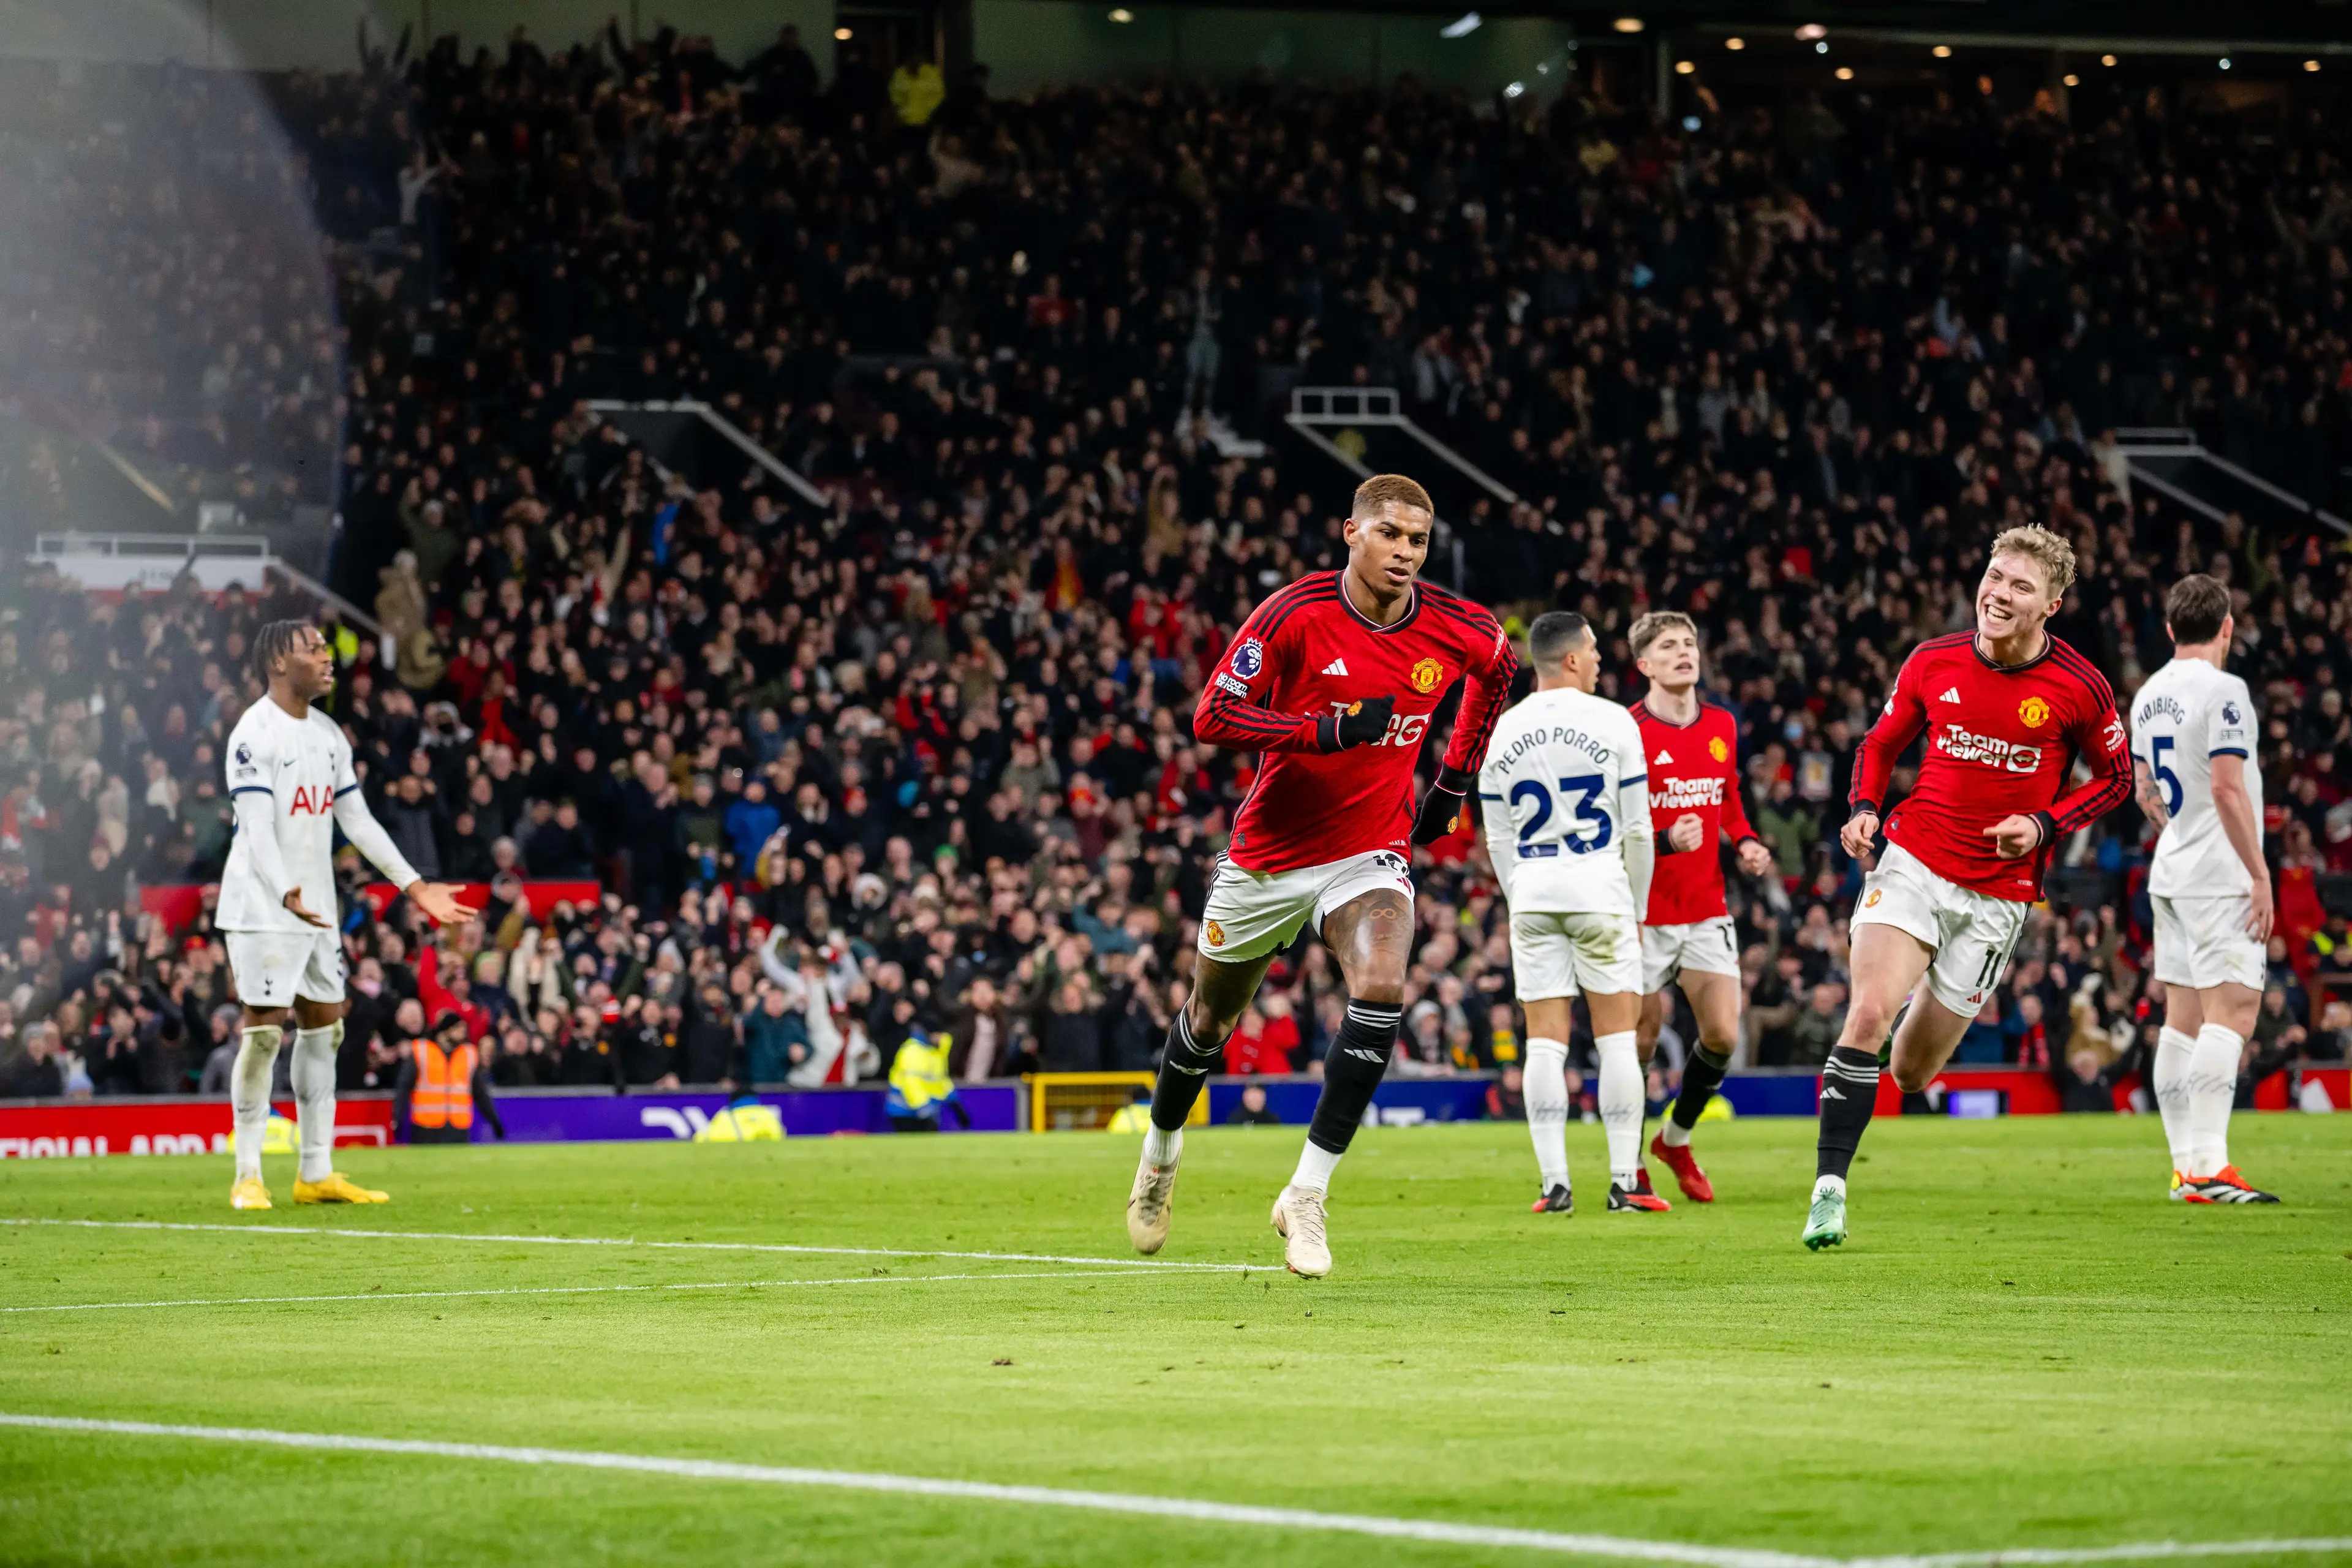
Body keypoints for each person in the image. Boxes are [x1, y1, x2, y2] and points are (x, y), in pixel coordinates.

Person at [1124, 473, 1517, 1276]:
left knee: (1380, 992)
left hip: (1369, 854)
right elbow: (1212, 716)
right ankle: (1160, 1156)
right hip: (1268, 859)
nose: (1405, 553)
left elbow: (1498, 673)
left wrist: (1453, 782)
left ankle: (1306, 1194)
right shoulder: (1295, 614)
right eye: (1390, 536)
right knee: (1207, 1025)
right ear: (1352, 533)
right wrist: (1322, 729)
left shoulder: (1457, 627)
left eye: (1418, 541)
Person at [1806, 527, 2131, 1249]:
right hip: (1914, 858)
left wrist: (2045, 825)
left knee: (1912, 1070)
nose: (1999, 594)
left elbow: (2117, 779)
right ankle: (1830, 1191)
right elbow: (1881, 744)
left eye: (2020, 586)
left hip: (1998, 894)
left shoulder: (2080, 686)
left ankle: (1922, 984)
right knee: (1865, 1015)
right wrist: (1863, 808)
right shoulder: (1933, 660)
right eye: (1994, 576)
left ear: (2052, 603)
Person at [219, 622, 476, 1209]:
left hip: (317, 911)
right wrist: (285, 891)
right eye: (313, 649)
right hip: (263, 905)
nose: (327, 657)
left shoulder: (330, 735)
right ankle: (248, 1174)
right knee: (262, 1036)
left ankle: (315, 1172)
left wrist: (416, 887)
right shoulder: (254, 733)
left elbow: (358, 822)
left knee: (325, 1028)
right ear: (279, 662)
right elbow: (255, 829)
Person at [1479, 611, 1662, 1215]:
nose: (1602, 661)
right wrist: (1635, 904)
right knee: (1616, 1042)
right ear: (1573, 659)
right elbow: (1637, 828)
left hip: (1532, 893)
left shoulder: (1503, 730)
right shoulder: (1613, 721)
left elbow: (1498, 838)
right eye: (1595, 651)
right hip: (1600, 892)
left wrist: (1519, 893)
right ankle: (1622, 1182)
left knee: (1545, 1045)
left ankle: (1554, 1184)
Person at [2130, 573, 2282, 1203]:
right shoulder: (2226, 690)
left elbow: (2144, 791)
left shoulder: (2146, 695)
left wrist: (2179, 831)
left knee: (2183, 1021)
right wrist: (2259, 872)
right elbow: (2225, 787)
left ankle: (2186, 1166)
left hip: (2171, 869)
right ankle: (2210, 1168)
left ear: (2170, 629)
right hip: (2219, 878)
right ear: (2227, 628)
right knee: (2235, 1013)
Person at [1626, 610, 1774, 1202]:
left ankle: (1676, 1139)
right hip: (1640, 914)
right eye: (1668, 646)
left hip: (1705, 907)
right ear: (1644, 665)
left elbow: (1729, 798)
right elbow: (1609, 825)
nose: (1684, 653)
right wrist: (1666, 840)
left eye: (1689, 643)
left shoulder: (1722, 724)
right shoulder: (1626, 730)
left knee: (1721, 1035)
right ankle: (1628, 1162)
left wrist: (1746, 842)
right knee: (1638, 1042)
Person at [395, 1010, 505, 1144]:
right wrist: (398, 1119)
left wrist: (495, 1121)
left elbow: (481, 1093)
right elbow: (403, 1087)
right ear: (445, 1030)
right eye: (458, 1028)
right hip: (427, 1129)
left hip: (458, 1130)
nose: (463, 1032)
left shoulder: (468, 1055)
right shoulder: (422, 1051)